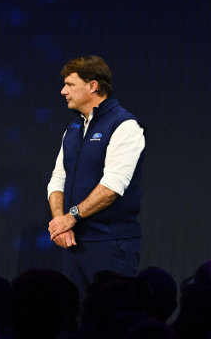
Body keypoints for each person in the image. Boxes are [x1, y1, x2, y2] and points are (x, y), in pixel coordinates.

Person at [45, 55, 145, 297]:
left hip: (110, 244)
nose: (63, 91)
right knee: (74, 313)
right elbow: (58, 179)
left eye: (70, 84)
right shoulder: (73, 129)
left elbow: (112, 187)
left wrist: (70, 217)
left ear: (93, 86)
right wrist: (60, 224)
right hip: (73, 242)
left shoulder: (124, 125)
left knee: (110, 313)